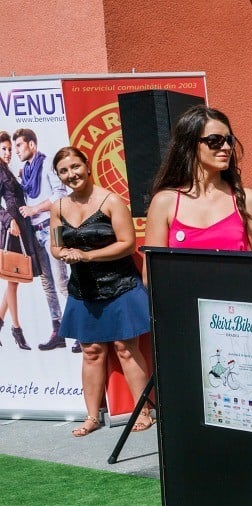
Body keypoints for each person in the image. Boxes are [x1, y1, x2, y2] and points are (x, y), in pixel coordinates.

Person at [50, 147, 153, 437]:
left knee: (126, 349)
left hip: (121, 287)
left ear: (87, 166)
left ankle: (143, 411)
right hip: (83, 291)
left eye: (75, 167)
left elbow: (127, 243)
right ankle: (92, 417)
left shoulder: (111, 201)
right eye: (64, 171)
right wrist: (64, 253)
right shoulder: (57, 207)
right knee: (91, 351)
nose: (71, 174)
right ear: (58, 175)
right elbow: (56, 246)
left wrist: (87, 256)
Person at [145, 105, 252, 252]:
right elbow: (152, 265)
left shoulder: (245, 200)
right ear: (190, 144)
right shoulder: (164, 202)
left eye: (229, 140)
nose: (226, 147)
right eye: (215, 140)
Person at [12, 128, 68, 350]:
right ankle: (58, 331)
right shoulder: (25, 173)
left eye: (19, 145)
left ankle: (82, 331)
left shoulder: (47, 164)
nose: (17, 150)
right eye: (15, 146)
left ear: (32, 145)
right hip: (34, 233)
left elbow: (60, 195)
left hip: (53, 228)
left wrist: (34, 209)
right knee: (47, 285)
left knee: (62, 283)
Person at [0, 130, 41, 349]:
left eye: (9, 149)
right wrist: (9, 222)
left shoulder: (6, 169)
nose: (8, 153)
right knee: (13, 280)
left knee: (14, 279)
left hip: (21, 225)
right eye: (4, 149)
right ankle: (16, 329)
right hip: (13, 227)